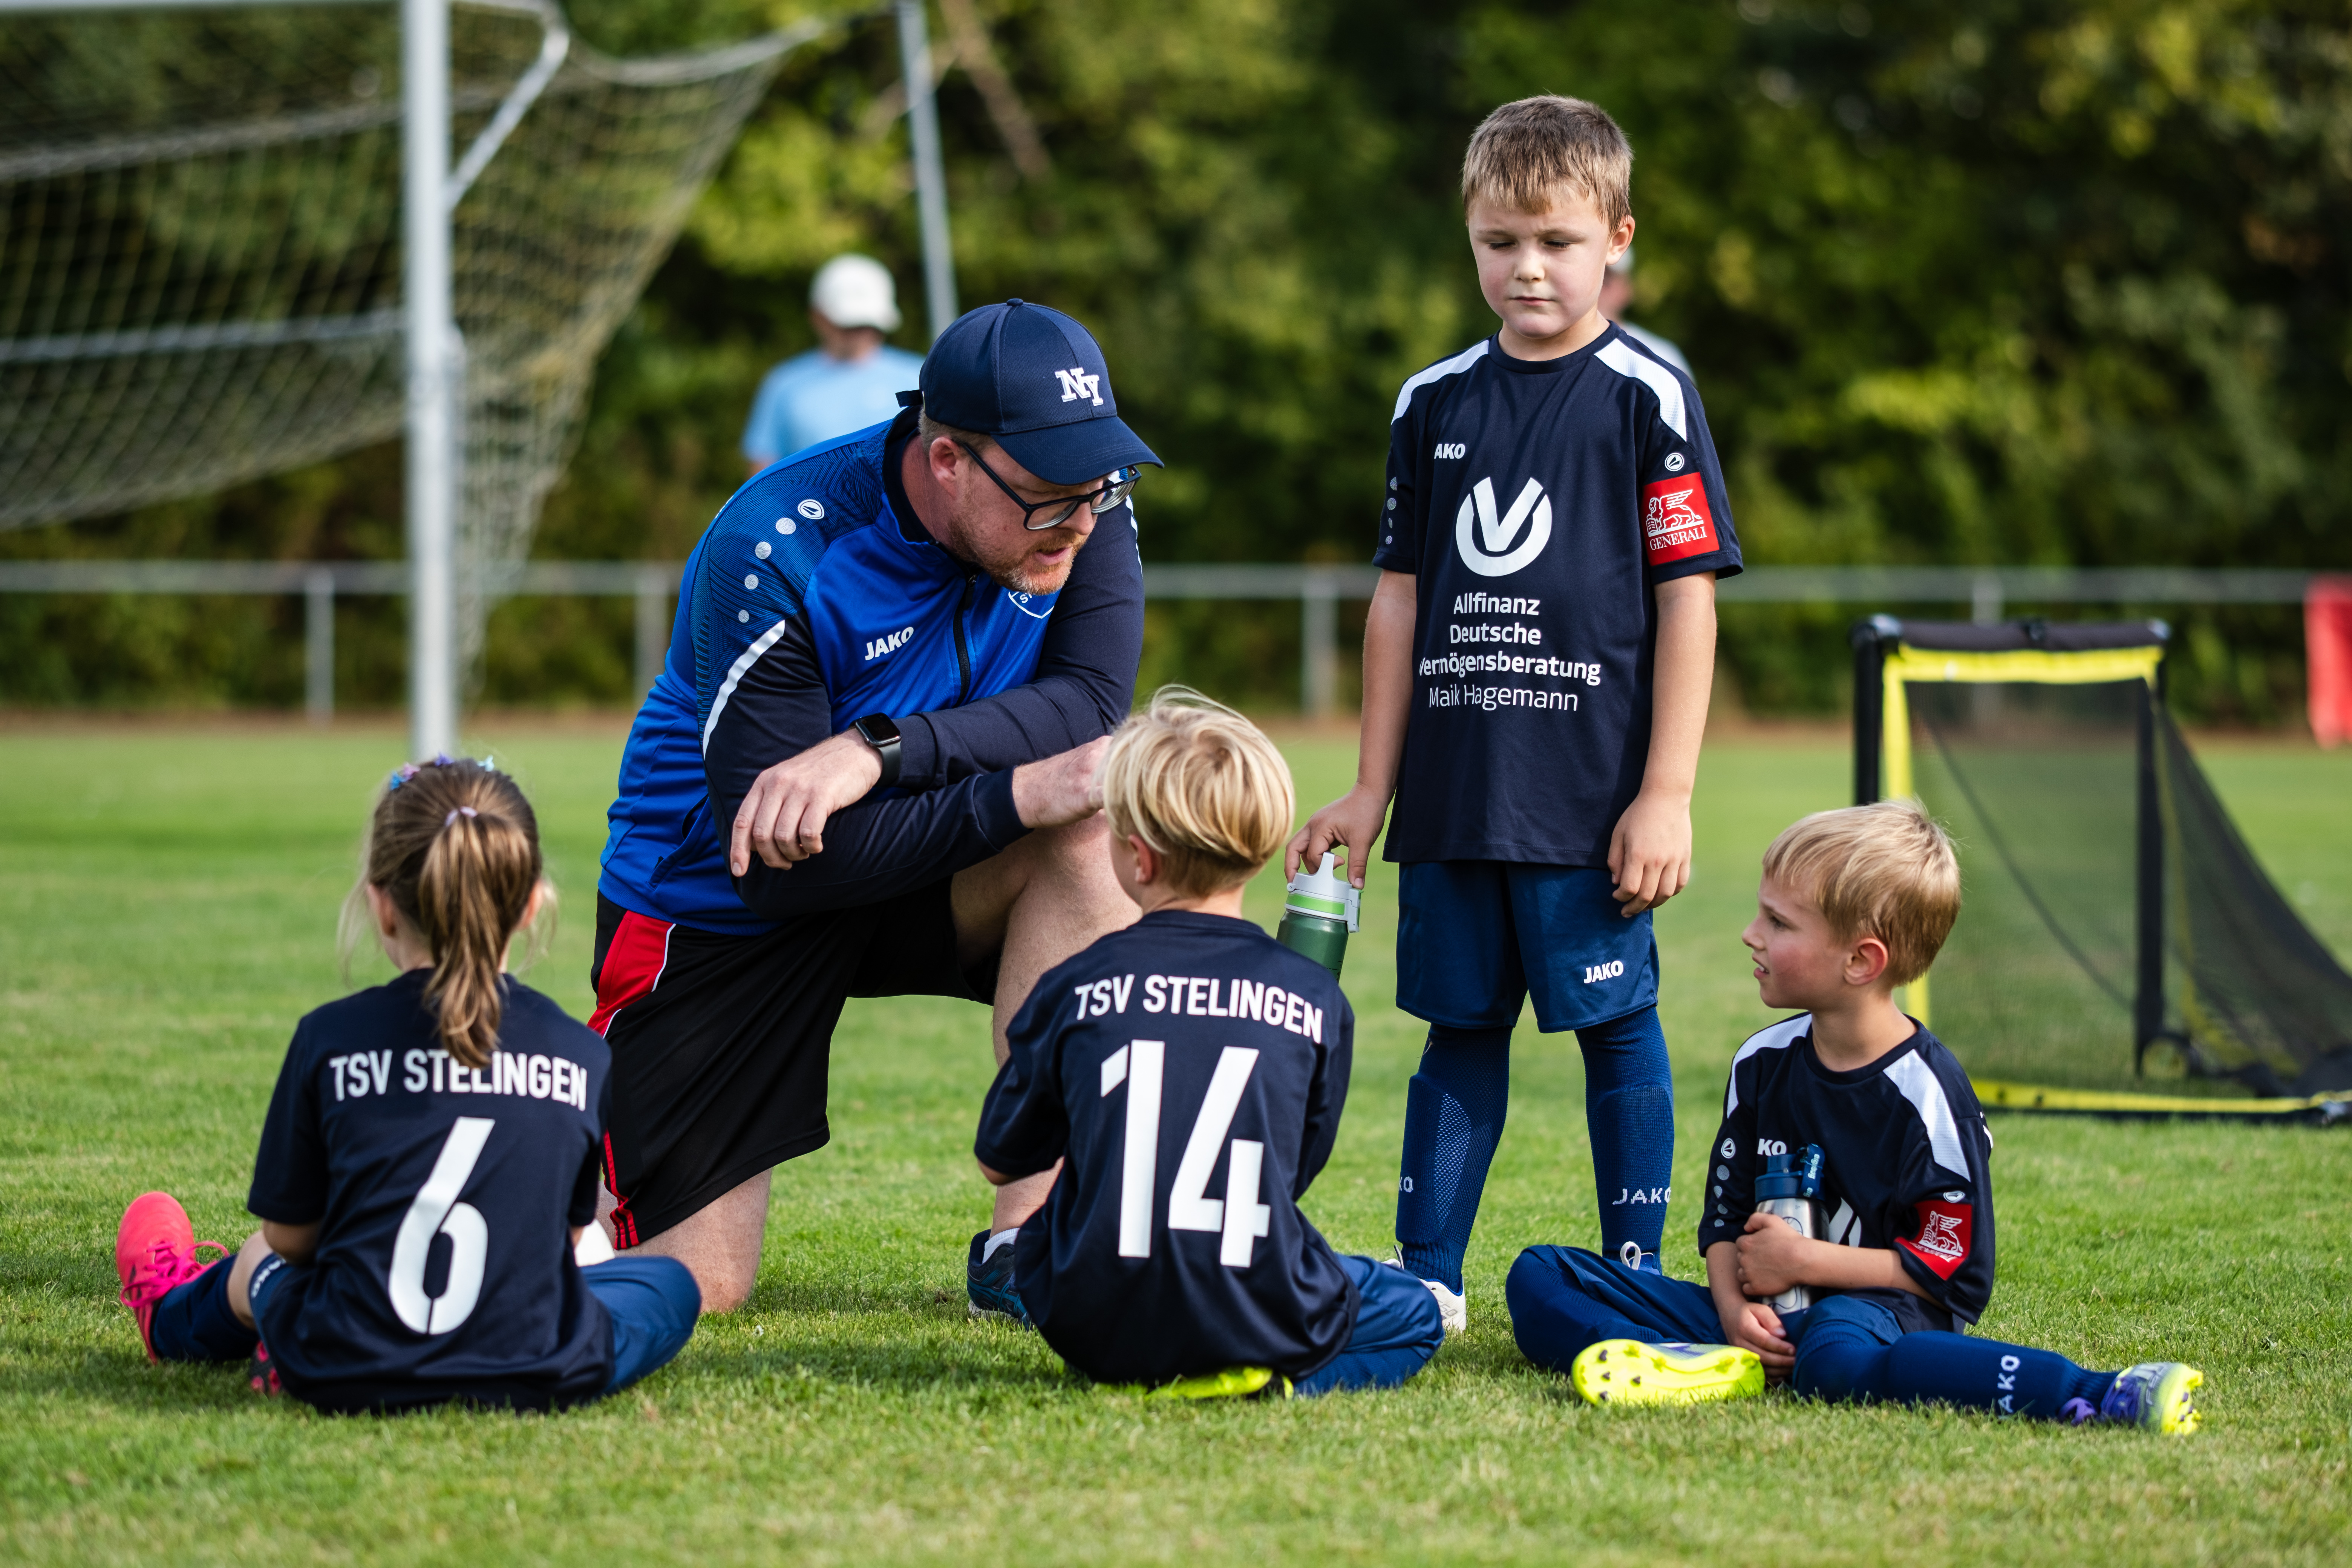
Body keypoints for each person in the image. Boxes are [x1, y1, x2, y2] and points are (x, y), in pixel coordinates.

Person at [594, 298, 1158, 1317]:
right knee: (693, 1288)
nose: (1079, 520)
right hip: (720, 903)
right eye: (1045, 498)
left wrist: (882, 750)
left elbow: (1086, 703)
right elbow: (778, 867)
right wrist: (1020, 786)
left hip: (925, 862)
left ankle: (1030, 1249)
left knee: (1091, 823)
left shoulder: (1084, 502)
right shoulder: (776, 544)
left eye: (1096, 486)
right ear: (949, 462)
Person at [1288, 95, 1741, 1334]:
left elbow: (1688, 605)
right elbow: (1398, 604)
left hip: (1592, 801)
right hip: (1452, 795)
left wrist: (1667, 794)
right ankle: (1428, 1281)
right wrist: (1370, 789)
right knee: (1456, 1032)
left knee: (1617, 1030)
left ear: (1618, 241)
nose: (1528, 267)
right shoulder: (1429, 401)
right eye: (1501, 242)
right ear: (1471, 242)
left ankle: (1636, 1273)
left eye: (1555, 239)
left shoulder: (1649, 395)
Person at [1505, 801, 2206, 1433]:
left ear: (1861, 961)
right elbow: (1723, 1221)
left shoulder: (1930, 1095)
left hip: (1877, 1315)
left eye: (1778, 922)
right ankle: (1705, 1360)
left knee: (1832, 1365)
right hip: (1759, 1313)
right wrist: (1729, 1307)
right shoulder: (1761, 1062)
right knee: (1539, 1277)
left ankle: (2096, 1393)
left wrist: (1806, 1261)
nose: (1751, 934)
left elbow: (1954, 1275)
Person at [112, 757, 700, 1414]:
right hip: (534, 1365)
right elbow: (563, 1242)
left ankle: (171, 1315)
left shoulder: (329, 1038)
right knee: (668, 1284)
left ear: (382, 905)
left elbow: (291, 1238)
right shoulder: (581, 1053)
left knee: (261, 1263)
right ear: (532, 903)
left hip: (345, 1360)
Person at [973, 690, 1447, 1395]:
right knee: (1415, 1313)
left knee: (1032, 1240)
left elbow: (999, 1163)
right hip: (1249, 1302)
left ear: (1137, 858)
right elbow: (1290, 1176)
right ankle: (1273, 1380)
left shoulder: (1073, 985)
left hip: (1091, 1320)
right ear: (1259, 855)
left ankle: (1166, 1344)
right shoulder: (1315, 999)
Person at [742, 254, 929, 473]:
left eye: (867, 323)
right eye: (849, 324)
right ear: (818, 317)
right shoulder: (785, 384)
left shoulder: (919, 376)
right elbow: (763, 468)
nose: (859, 333)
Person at [1598, 248, 1691, 377]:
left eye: (1606, 279)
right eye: (1592, 276)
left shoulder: (1664, 359)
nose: (1596, 288)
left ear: (1626, 290)